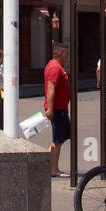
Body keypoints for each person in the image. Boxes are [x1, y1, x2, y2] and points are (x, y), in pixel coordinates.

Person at [44, 43, 71, 177]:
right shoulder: (55, 67)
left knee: (61, 137)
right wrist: (50, 108)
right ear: (60, 54)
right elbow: (51, 87)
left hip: (61, 107)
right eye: (66, 54)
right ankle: (52, 168)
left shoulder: (57, 66)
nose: (67, 57)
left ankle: (49, 163)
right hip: (57, 108)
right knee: (58, 139)